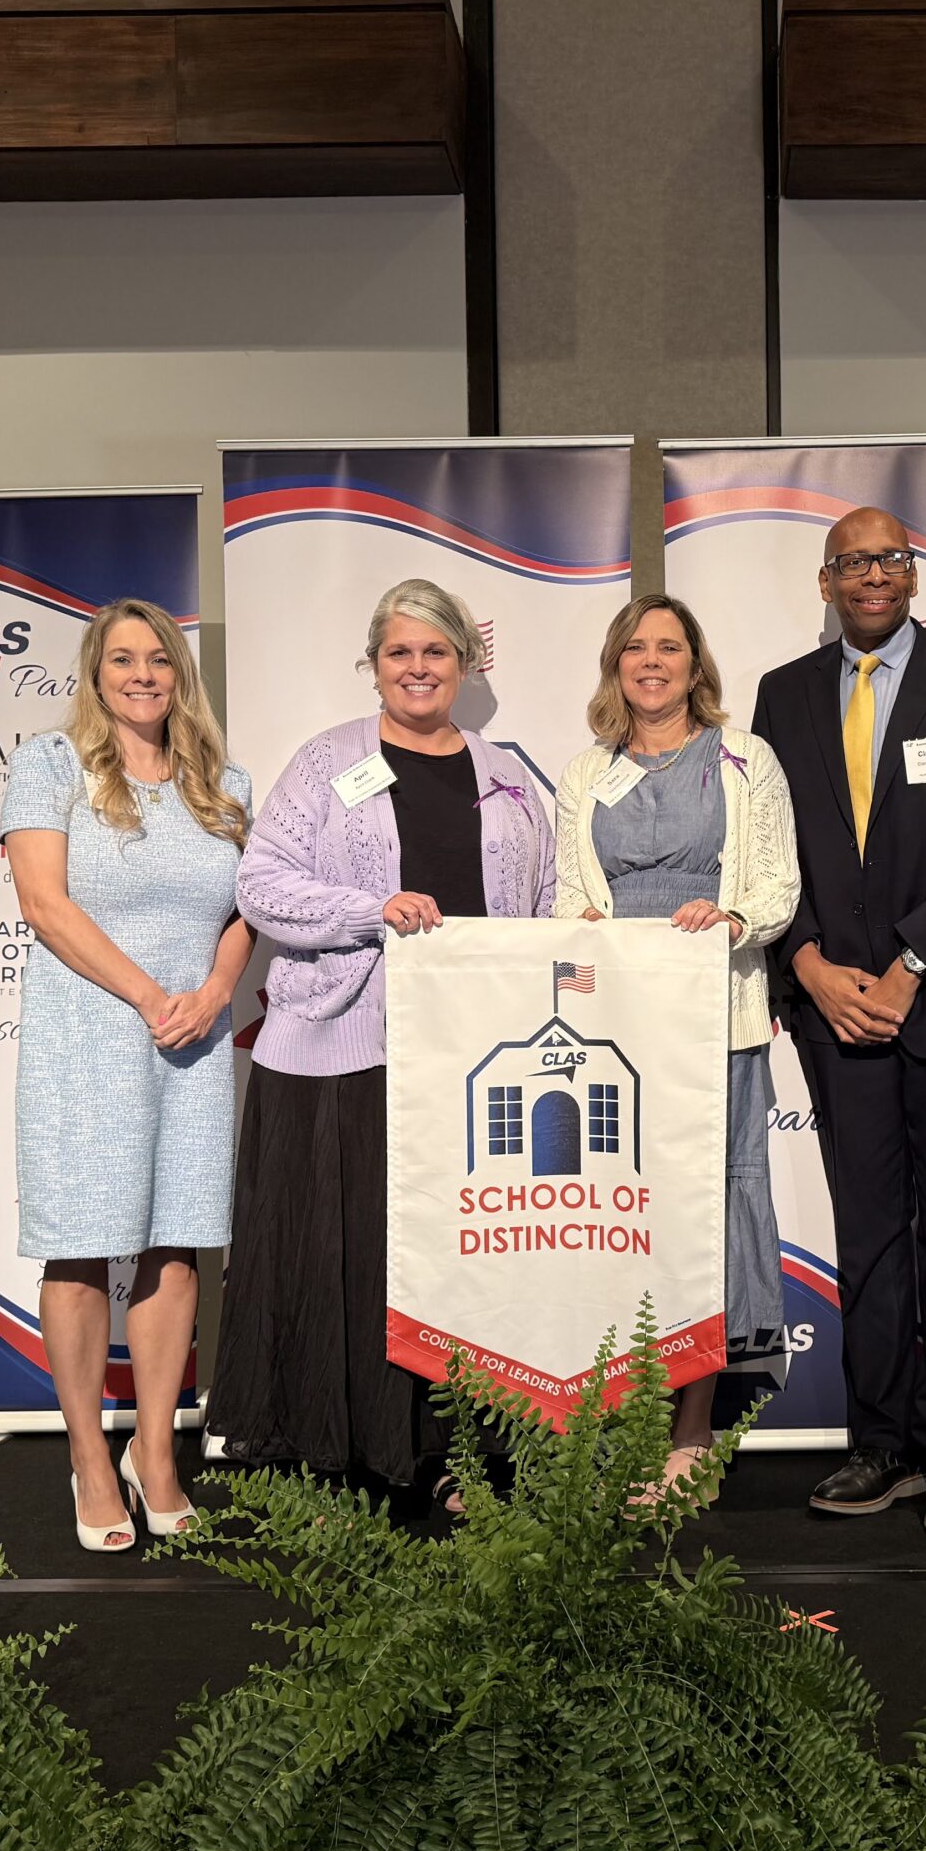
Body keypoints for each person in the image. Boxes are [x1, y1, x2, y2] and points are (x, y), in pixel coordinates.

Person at [210, 578, 555, 1490]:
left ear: (464, 663)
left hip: (473, 1057)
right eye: (399, 652)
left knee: (454, 1263)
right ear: (374, 666)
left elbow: (549, 896)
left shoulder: (509, 775)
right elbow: (262, 885)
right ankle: (336, 1450)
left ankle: (445, 1454)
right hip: (342, 1047)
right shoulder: (328, 762)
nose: (417, 668)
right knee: (345, 1255)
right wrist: (371, 909)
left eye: (434, 651)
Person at [749, 505, 926, 1539]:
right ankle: (878, 1444)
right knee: (867, 1234)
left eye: (890, 558)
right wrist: (813, 964)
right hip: (837, 1013)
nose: (873, 575)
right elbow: (773, 849)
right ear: (826, 581)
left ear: (912, 574)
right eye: (852, 562)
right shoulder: (781, 695)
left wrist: (912, 965)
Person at [1, 600, 254, 1551]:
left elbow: (247, 908)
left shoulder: (222, 783)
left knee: (175, 1245)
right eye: (123, 660)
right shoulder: (49, 765)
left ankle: (156, 1456)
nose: (142, 674)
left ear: (180, 675)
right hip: (90, 1036)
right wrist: (152, 995)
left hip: (192, 1039)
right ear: (95, 671)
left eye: (159, 659)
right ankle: (89, 1461)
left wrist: (218, 985)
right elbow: (43, 903)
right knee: (80, 1246)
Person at [553, 594, 802, 1500]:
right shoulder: (586, 772)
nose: (651, 662)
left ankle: (689, 1430)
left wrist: (730, 918)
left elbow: (778, 886)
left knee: (701, 1218)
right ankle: (615, 1419)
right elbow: (565, 898)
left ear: (696, 666)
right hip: (615, 1034)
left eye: (669, 647)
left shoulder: (746, 761)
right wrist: (584, 929)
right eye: (634, 648)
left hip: (715, 1020)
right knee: (624, 1221)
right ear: (615, 665)